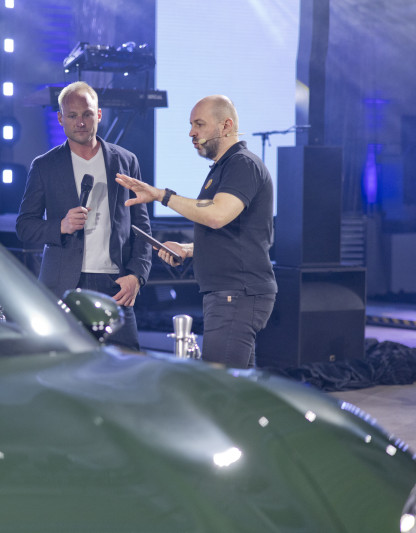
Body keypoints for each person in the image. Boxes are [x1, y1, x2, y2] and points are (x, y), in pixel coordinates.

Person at [115, 95, 276, 367]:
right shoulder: (225, 167)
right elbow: (232, 232)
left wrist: (162, 195)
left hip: (236, 293)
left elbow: (216, 215)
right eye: (191, 125)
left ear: (226, 126)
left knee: (219, 386)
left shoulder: (242, 164)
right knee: (236, 385)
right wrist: (188, 250)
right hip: (230, 294)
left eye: (199, 124)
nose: (192, 132)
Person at [16, 81, 152, 350]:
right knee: (64, 365)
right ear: (60, 119)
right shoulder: (45, 166)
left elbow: (142, 227)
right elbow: (25, 226)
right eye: (72, 116)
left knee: (126, 365)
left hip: (115, 285)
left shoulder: (126, 161)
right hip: (63, 287)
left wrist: (137, 275)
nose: (80, 122)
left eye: (87, 114)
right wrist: (61, 226)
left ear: (98, 115)